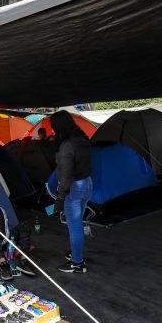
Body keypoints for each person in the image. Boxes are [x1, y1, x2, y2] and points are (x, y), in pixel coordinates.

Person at [52, 110, 92, 274]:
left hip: (74, 188)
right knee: (78, 223)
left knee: (74, 227)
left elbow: (67, 175)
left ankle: (77, 263)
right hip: (87, 183)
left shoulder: (66, 145)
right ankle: (76, 254)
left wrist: (60, 197)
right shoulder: (82, 138)